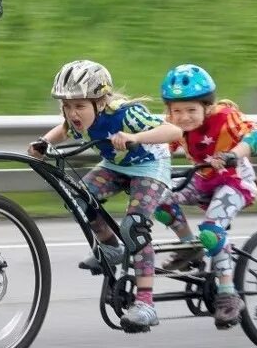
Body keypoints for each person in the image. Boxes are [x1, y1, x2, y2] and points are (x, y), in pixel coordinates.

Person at [28, 60, 182, 333]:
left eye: (79, 106)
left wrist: (136, 137)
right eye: (67, 105)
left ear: (100, 103)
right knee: (77, 198)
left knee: (134, 227)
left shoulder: (126, 115)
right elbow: (63, 129)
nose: (72, 112)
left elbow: (173, 131)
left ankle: (146, 304)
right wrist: (44, 143)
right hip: (116, 165)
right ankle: (111, 248)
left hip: (149, 164)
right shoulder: (76, 117)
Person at [155, 63, 257, 329]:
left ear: (207, 106)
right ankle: (190, 247)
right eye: (176, 110)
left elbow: (256, 136)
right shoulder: (173, 124)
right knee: (159, 201)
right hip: (203, 179)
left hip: (235, 181)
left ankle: (228, 295)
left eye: (191, 110)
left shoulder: (225, 116)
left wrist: (233, 155)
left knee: (212, 232)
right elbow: (161, 150)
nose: (183, 117)